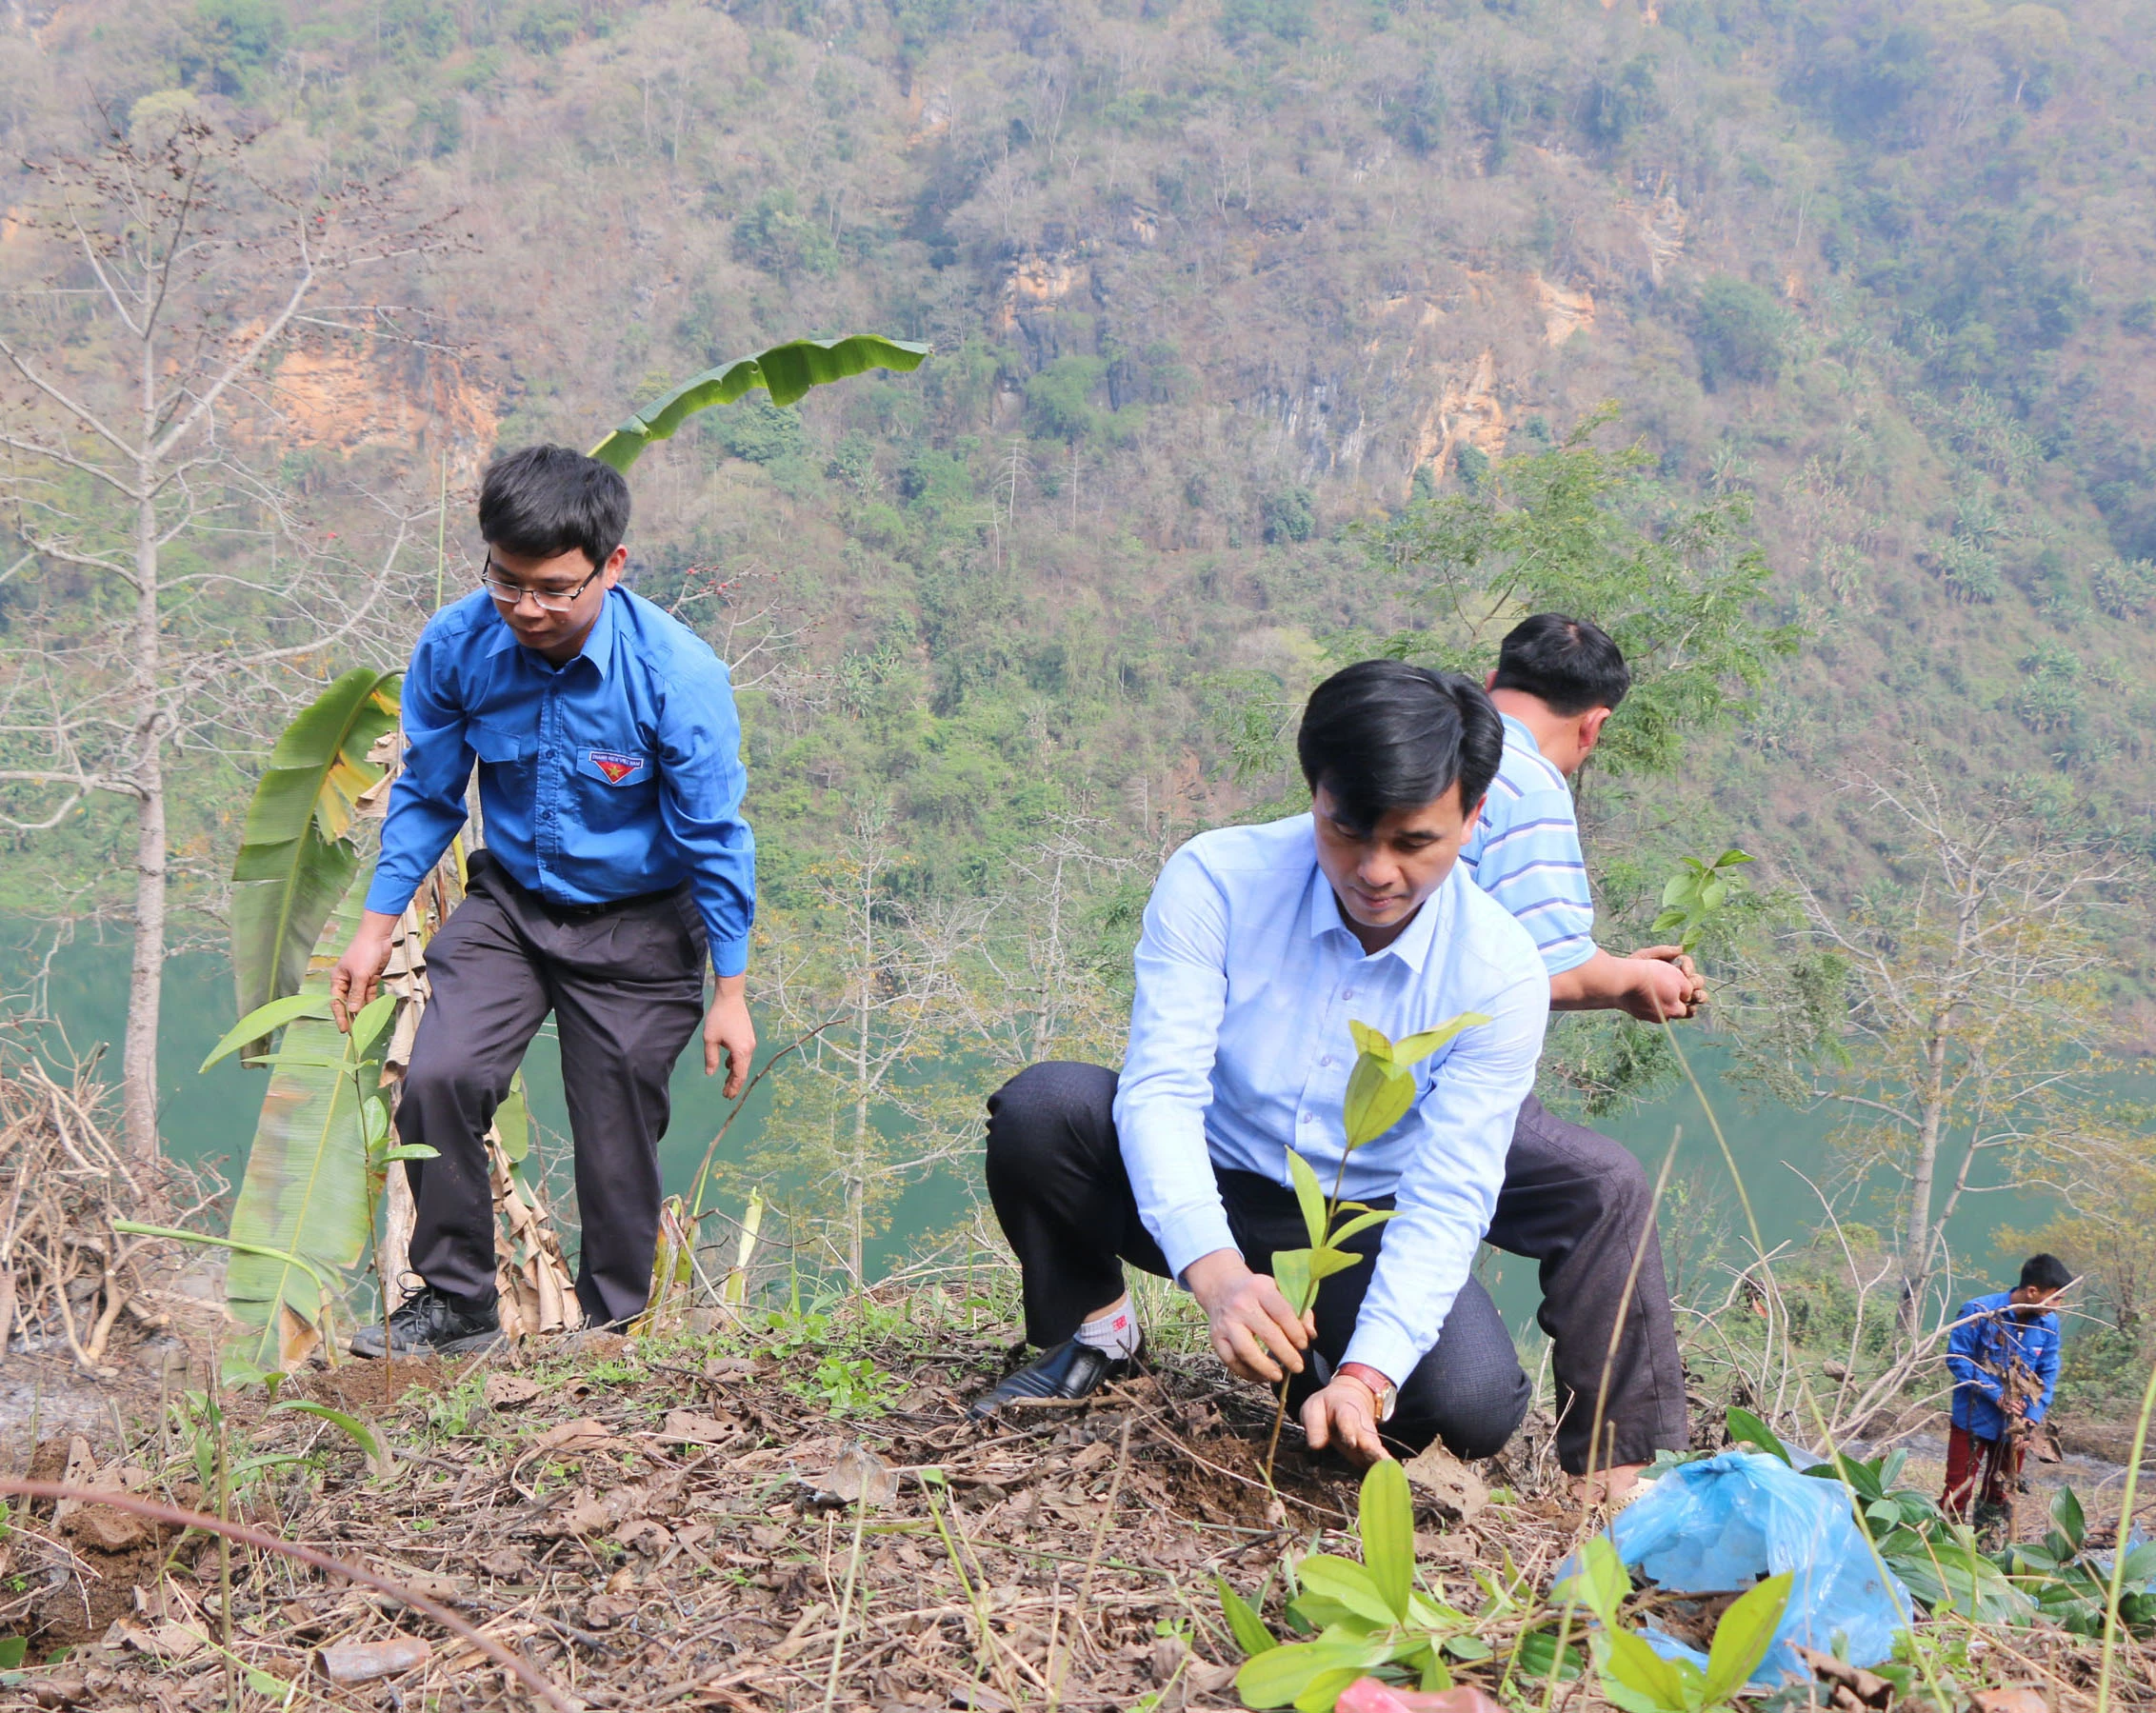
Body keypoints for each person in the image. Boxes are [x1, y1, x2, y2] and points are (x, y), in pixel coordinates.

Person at [972, 661, 1550, 1467]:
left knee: (1470, 1403)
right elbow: (1163, 1089)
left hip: (1352, 1221)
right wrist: (1215, 1275)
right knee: (1044, 1111)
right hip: (1210, 1160)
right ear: (1315, 793)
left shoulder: (1500, 972)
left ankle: (1322, 1376)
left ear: (1473, 816)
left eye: (1415, 841)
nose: (1376, 871)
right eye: (1347, 829)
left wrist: (1367, 1373)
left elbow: (1450, 1194)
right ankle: (1097, 1335)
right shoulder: (1219, 878)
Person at [329, 445, 757, 1356]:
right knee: (440, 1078)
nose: (528, 608)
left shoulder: (678, 677)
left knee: (614, 1134)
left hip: (643, 924)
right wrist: (371, 932)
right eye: (507, 581)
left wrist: (731, 991)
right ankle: (456, 1304)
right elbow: (430, 795)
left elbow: (718, 837)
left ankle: (610, 1329)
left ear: (612, 566)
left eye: (557, 589)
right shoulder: (457, 645)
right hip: (513, 909)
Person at [1459, 613, 1701, 1496]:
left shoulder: (1446, 733)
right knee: (1606, 1189)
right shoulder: (1523, 778)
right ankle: (1618, 1471)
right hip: (1433, 1084)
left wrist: (1624, 966)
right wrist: (1638, 982)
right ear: (1595, 722)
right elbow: (1552, 970)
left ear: (1497, 675)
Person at [1941, 1252, 2070, 1521]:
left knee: (2000, 1492)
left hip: (2015, 1427)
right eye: (2056, 1297)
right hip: (1972, 1418)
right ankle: (1944, 1544)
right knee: (1957, 1489)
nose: (2059, 1305)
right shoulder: (1978, 1312)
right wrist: (1997, 1394)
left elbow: (2048, 1372)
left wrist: (2031, 1420)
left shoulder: (2049, 1323)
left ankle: (1986, 1549)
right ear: (2033, 1291)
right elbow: (1957, 1359)